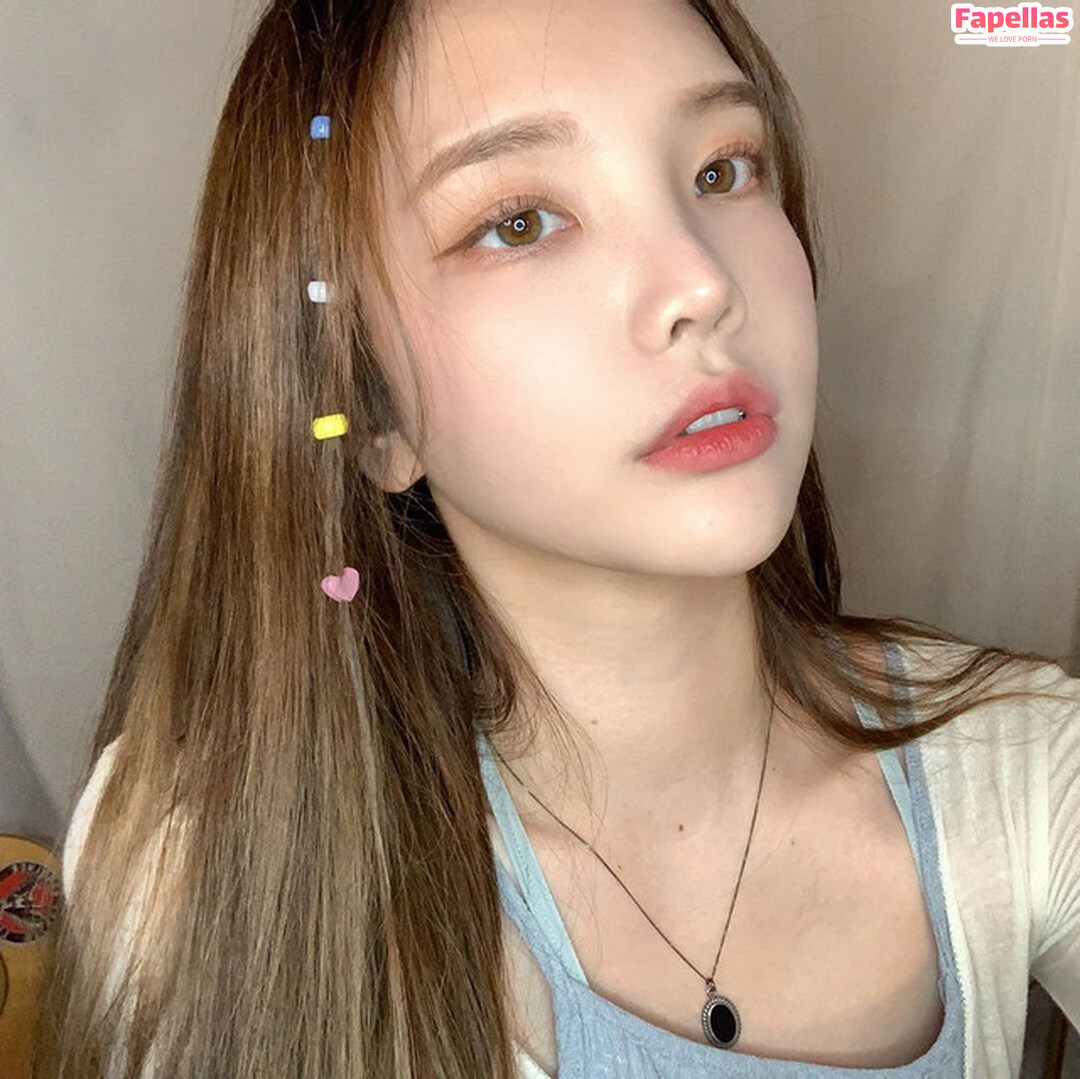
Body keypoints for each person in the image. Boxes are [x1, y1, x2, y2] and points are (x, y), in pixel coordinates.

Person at [38, 1, 1079, 1076]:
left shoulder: (1024, 765)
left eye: (721, 169)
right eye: (520, 222)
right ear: (372, 414)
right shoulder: (204, 864)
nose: (703, 284)